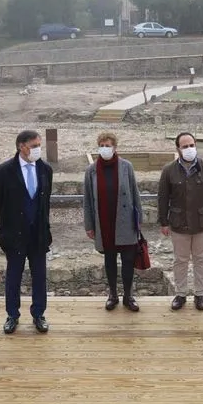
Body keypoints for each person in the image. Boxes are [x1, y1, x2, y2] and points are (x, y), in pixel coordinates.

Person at [0, 130, 53, 334]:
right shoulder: (4, 171)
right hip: (14, 235)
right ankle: (12, 315)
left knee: (39, 276)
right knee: (14, 276)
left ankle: (39, 314)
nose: (38, 149)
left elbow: (45, 202)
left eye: (39, 145)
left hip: (38, 235)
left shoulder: (45, 169)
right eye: (34, 146)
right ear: (21, 146)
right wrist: (9, 224)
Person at [157, 132, 203, 311]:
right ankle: (181, 294)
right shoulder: (169, 170)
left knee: (201, 259)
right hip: (179, 223)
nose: (189, 149)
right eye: (185, 146)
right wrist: (163, 222)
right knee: (181, 260)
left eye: (191, 145)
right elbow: (163, 197)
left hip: (202, 222)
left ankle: (200, 294)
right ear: (178, 148)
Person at [83, 132, 144, 312]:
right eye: (102, 145)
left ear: (115, 147)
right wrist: (89, 225)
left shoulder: (126, 167)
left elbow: (135, 193)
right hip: (104, 222)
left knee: (128, 260)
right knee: (109, 260)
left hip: (125, 221)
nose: (105, 148)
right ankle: (113, 295)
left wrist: (139, 219)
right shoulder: (91, 170)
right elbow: (87, 200)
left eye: (108, 145)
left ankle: (128, 296)